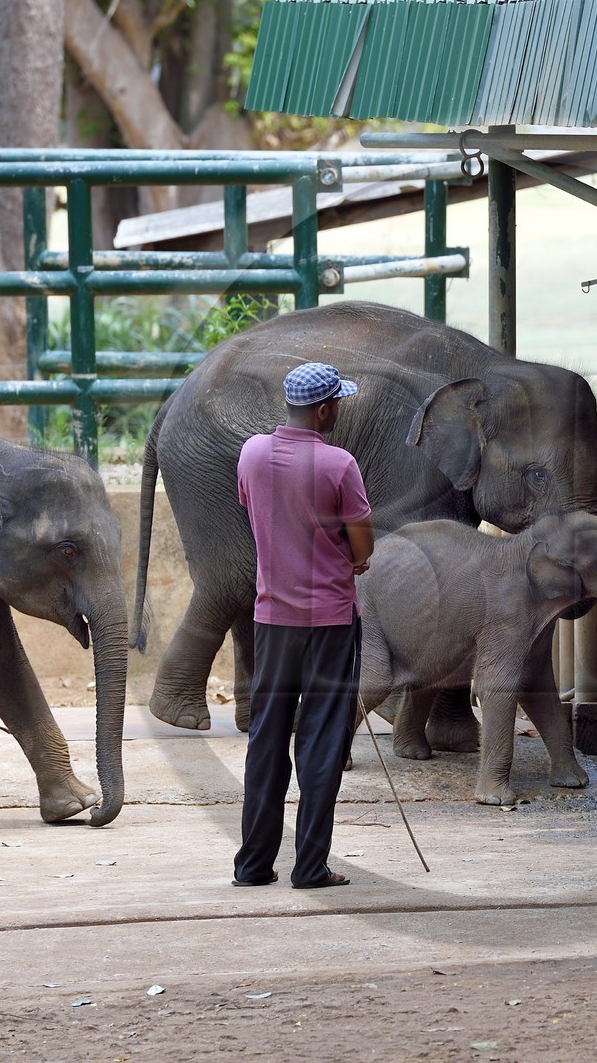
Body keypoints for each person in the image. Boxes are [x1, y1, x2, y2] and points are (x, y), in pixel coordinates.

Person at [232, 362, 375, 890]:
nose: (339, 409)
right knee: (319, 741)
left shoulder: (251, 453)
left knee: (266, 738)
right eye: (337, 402)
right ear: (322, 409)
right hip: (331, 622)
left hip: (271, 619)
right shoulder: (339, 464)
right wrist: (353, 561)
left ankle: (251, 866)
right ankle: (310, 866)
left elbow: (258, 513)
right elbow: (363, 547)